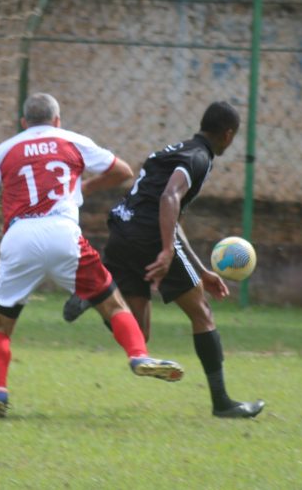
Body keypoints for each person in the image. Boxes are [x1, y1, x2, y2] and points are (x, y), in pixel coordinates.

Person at [0, 92, 185, 418]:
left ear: (23, 122)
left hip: (19, 238)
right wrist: (86, 187)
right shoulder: (71, 141)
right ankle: (138, 355)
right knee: (113, 304)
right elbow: (123, 171)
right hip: (63, 235)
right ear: (57, 120)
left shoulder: (4, 150)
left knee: (0, 325)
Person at [63, 101, 264, 418]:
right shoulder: (199, 158)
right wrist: (167, 250)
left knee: (139, 335)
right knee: (202, 313)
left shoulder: (172, 151)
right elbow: (169, 198)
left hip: (123, 231)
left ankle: (97, 295)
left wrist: (201, 270)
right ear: (228, 135)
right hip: (150, 237)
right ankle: (222, 403)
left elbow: (170, 212)